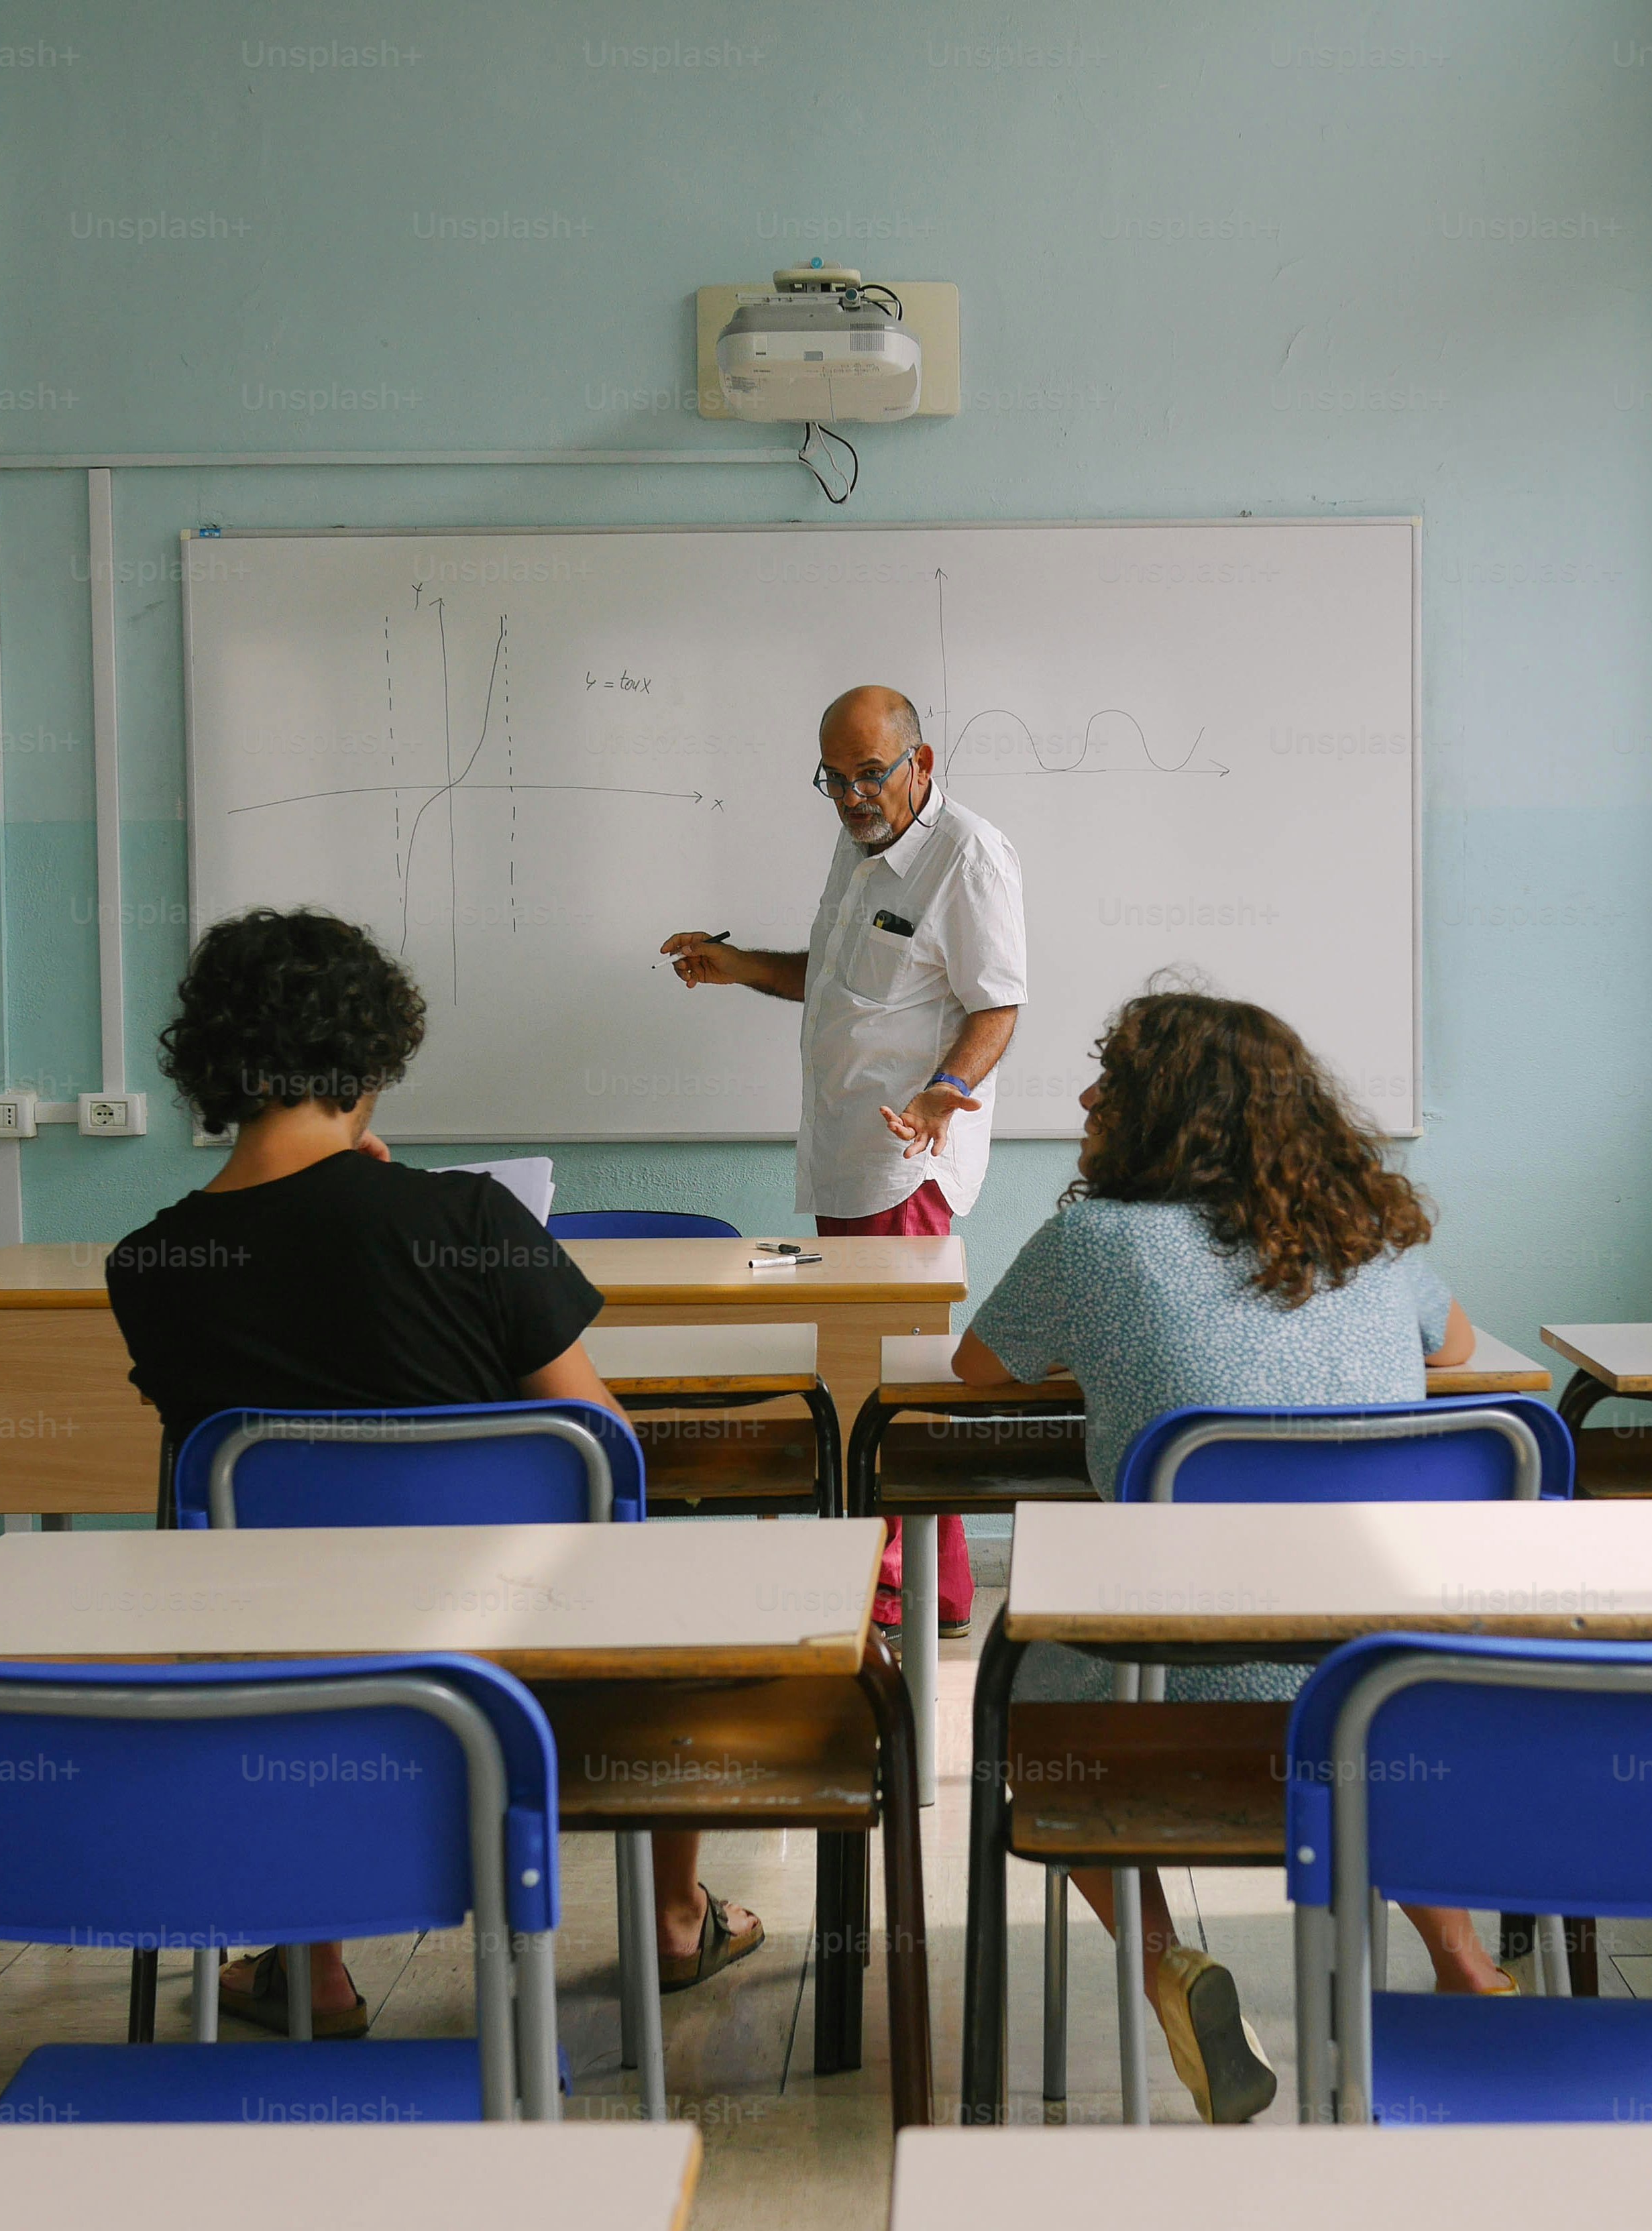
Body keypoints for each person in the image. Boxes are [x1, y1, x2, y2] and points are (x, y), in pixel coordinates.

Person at [106, 908, 763, 2038]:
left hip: (286, 1691)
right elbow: (605, 1456)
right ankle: (668, 1914)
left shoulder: (151, 1267)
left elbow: (224, 1470)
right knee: (678, 1557)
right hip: (521, 1678)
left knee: (286, 1597)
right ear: (369, 1055)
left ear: (210, 1061)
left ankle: (309, 1967)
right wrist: (400, 1209)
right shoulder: (466, 1217)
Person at [951, 989, 1517, 2123]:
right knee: (1357, 1668)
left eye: (1110, 1078)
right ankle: (1466, 1962)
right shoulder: (1372, 1237)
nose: (1085, 1097)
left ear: (1166, 1113)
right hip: (1388, 1695)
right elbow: (1458, 1348)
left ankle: (1167, 1964)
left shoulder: (1094, 1241)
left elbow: (979, 1372)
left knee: (1027, 1707)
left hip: (1158, 1697)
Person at [659, 684, 1027, 1637]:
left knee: (882, 1385)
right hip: (843, 1155)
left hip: (906, 1165)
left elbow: (999, 1007)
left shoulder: (969, 856)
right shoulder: (858, 844)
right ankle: (938, 1590)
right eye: (835, 777)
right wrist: (738, 966)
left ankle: (892, 1589)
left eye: (872, 773)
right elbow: (831, 982)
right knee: (878, 1374)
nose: (854, 794)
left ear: (923, 763)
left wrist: (948, 1087)